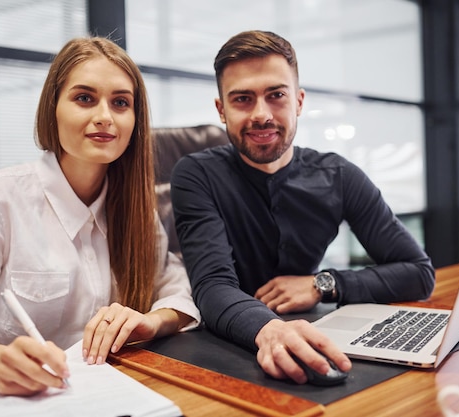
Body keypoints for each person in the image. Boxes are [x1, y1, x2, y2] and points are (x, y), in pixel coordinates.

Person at [0, 37, 200, 396]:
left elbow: (178, 288)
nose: (104, 117)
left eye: (120, 102)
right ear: (53, 109)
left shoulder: (136, 210)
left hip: (113, 396)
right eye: (84, 98)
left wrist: (150, 323)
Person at [170, 30, 435, 384]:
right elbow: (212, 286)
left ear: (298, 101)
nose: (261, 115)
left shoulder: (339, 176)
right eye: (243, 99)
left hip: (317, 332)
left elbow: (418, 273)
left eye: (276, 95)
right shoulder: (196, 174)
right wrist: (271, 329)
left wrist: (323, 284)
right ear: (222, 110)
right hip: (225, 345)